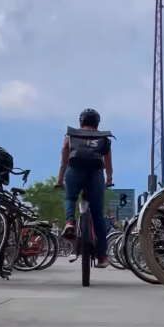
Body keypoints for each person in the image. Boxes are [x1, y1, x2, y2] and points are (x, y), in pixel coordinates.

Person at [56, 108, 113, 267]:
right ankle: (102, 256)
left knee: (70, 197)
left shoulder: (71, 135)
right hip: (95, 173)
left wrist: (60, 180)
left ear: (81, 122)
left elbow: (64, 159)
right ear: (97, 123)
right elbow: (108, 162)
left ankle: (70, 222)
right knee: (97, 214)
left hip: (74, 170)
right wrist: (109, 179)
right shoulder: (104, 138)